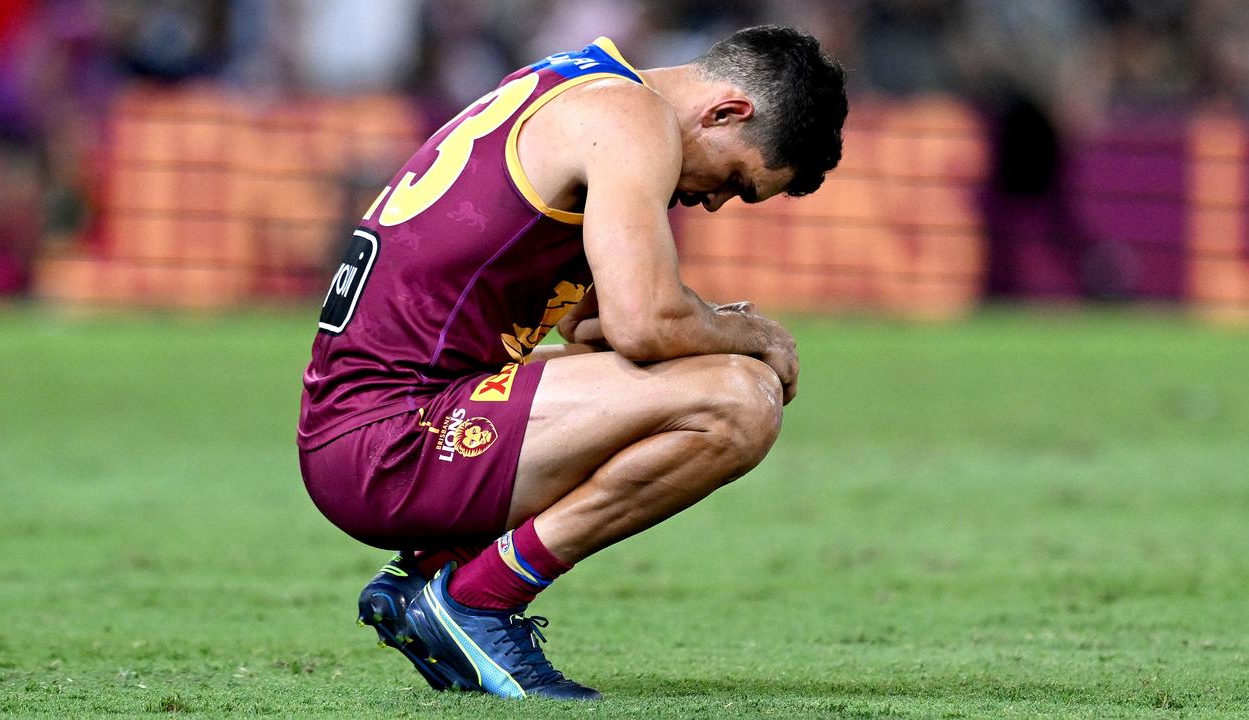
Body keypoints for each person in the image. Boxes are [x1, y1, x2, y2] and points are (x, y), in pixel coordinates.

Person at [298, 25, 848, 700]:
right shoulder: (630, 116)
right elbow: (642, 325)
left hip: (374, 422)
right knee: (738, 399)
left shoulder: (579, 82)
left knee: (707, 381)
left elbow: (584, 323)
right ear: (728, 111)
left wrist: (703, 328)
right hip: (388, 442)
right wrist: (750, 334)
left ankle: (436, 570)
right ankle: (475, 600)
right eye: (736, 178)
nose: (712, 200)